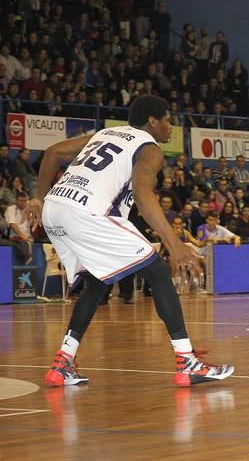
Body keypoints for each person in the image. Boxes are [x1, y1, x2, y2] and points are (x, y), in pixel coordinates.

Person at [25, 96, 234, 387]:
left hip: (55, 208)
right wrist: (174, 244)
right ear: (152, 121)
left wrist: (37, 197)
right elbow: (143, 195)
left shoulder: (104, 133)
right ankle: (187, 362)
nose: (170, 127)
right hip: (88, 212)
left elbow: (52, 153)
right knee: (158, 272)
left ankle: (63, 362)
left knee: (97, 282)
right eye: (167, 120)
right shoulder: (149, 148)